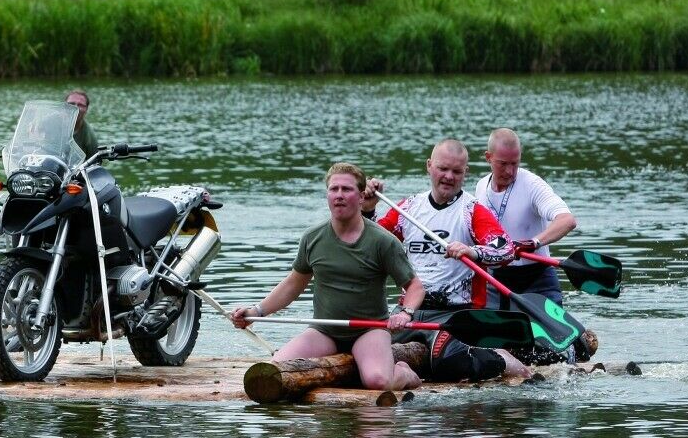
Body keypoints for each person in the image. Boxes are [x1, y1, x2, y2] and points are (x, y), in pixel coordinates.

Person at [229, 163, 424, 392]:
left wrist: (405, 313)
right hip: (325, 330)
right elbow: (293, 284)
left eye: (346, 189)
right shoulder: (312, 238)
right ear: (327, 195)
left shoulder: (383, 241)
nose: (339, 195)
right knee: (276, 371)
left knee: (377, 382)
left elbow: (414, 286)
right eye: (334, 189)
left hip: (369, 330)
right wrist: (255, 313)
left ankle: (403, 371)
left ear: (361, 197)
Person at [369, 138, 529, 381]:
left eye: (456, 171)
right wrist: (368, 209)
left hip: (456, 314)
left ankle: (504, 359)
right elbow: (369, 243)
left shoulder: (471, 210)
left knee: (449, 364)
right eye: (443, 169)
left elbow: (505, 249)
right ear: (429, 166)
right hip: (408, 310)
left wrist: (472, 251)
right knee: (366, 353)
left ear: (466, 172)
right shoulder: (408, 208)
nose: (449, 177)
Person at [475, 128, 577, 307]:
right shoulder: (481, 186)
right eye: (503, 164)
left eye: (515, 163)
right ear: (488, 157)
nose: (510, 171)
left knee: (557, 336)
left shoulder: (532, 185)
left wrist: (533, 242)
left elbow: (567, 220)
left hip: (538, 279)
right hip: (497, 280)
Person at [66, 89, 100, 157]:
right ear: (64, 106)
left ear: (86, 109)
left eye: (80, 105)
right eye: (71, 104)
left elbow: (95, 163)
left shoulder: (90, 137)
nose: (75, 107)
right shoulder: (51, 123)